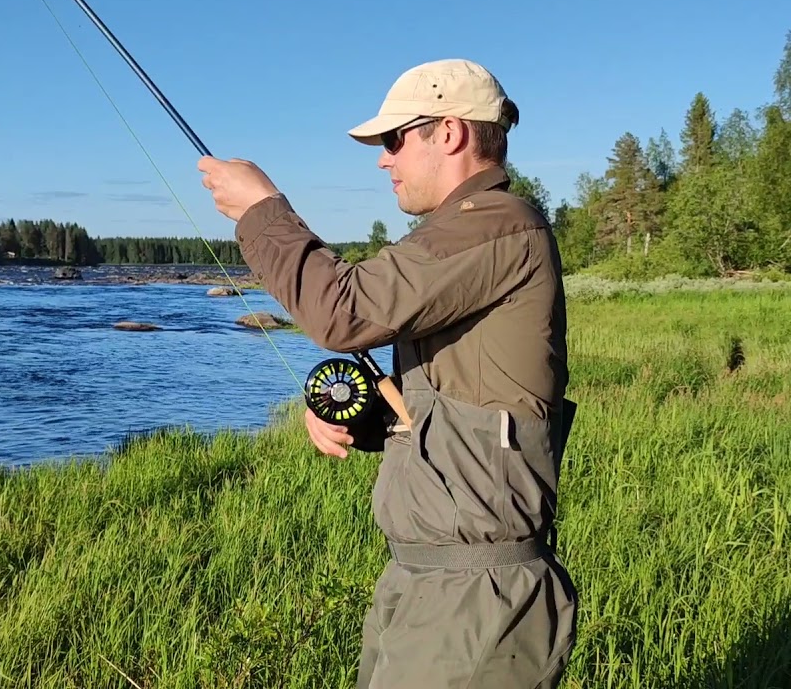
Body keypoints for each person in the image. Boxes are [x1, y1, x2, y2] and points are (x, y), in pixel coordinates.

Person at [196, 59, 578, 688]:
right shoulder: (461, 235)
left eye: (395, 139)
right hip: (428, 579)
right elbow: (459, 396)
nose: (383, 159)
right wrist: (361, 414)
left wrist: (262, 210)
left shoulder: (498, 226)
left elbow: (341, 311)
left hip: (475, 596)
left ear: (449, 133)